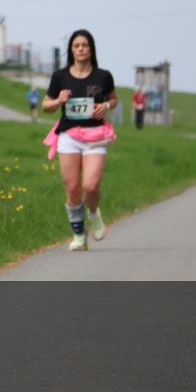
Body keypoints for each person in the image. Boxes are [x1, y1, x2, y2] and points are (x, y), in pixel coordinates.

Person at [41, 29, 118, 251]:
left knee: (91, 185)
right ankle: (78, 234)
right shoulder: (60, 76)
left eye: (85, 45)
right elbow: (46, 106)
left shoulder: (103, 76)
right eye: (77, 46)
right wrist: (57, 100)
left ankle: (94, 214)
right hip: (69, 135)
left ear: (91, 48)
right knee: (73, 187)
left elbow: (113, 100)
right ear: (71, 50)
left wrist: (105, 105)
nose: (81, 49)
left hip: (96, 136)